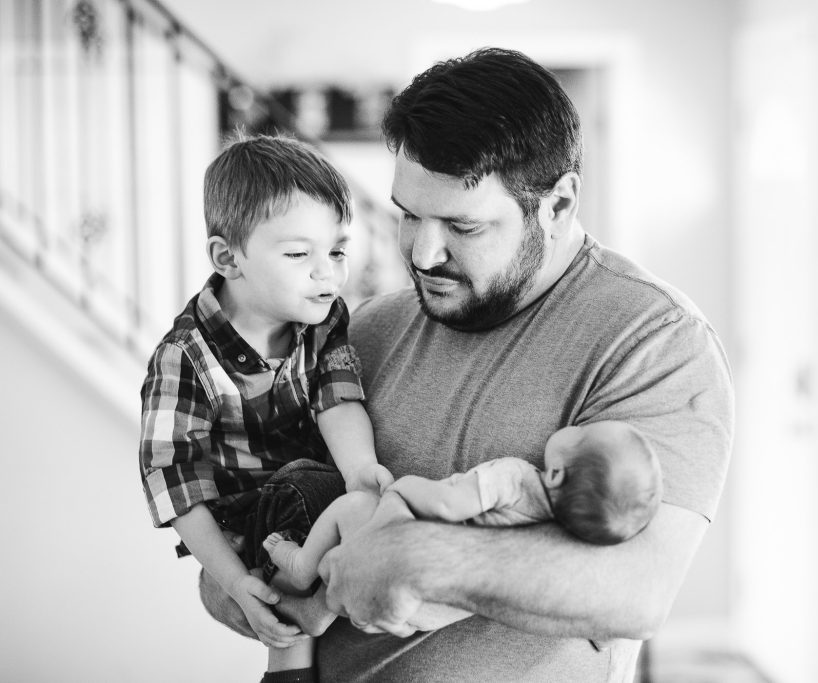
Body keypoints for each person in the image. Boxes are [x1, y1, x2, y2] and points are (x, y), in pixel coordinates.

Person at [203, 46, 734, 682]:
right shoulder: (362, 331)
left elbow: (636, 590)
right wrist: (238, 587)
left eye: (463, 226)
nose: (423, 253)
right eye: (408, 215)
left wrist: (416, 560)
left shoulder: (653, 340)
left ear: (558, 205)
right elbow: (252, 529)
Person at [138, 133, 392, 683]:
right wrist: (234, 581)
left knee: (362, 498)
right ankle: (296, 633)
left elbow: (338, 398)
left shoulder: (321, 317)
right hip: (247, 523)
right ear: (229, 258)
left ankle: (309, 610)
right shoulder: (185, 357)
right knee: (312, 490)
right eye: (300, 254)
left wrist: (362, 476)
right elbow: (176, 481)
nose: (328, 273)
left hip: (307, 501)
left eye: (338, 250)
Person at [263, 420, 662, 592]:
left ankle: (299, 566)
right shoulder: (544, 524)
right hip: (421, 588)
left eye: (584, 433)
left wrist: (405, 485)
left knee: (350, 506)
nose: (580, 425)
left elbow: (449, 503)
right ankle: (313, 610)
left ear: (556, 476)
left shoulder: (514, 477)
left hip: (400, 536)